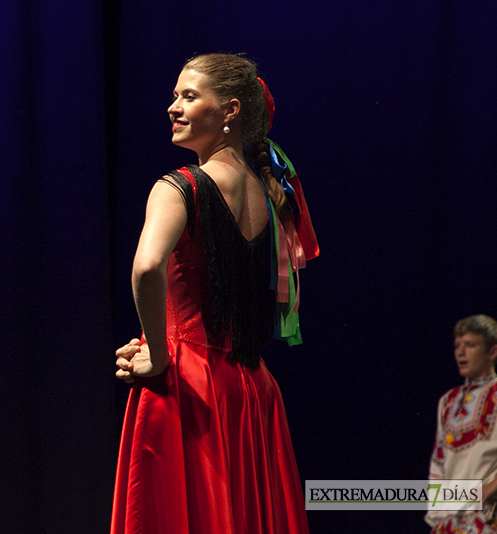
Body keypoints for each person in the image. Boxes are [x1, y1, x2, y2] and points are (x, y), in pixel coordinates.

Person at [111, 53, 317, 534]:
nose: (172, 107)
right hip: (249, 388)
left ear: (230, 111)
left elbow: (147, 266)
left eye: (188, 95)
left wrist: (157, 354)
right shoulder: (271, 194)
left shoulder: (178, 186)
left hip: (189, 382)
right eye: (175, 95)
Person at [426, 315, 497, 533]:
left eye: (470, 345)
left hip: (488, 516)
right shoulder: (447, 401)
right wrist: (436, 513)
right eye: (457, 345)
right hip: (448, 519)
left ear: (492, 352)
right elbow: (439, 459)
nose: (460, 352)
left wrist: (493, 486)